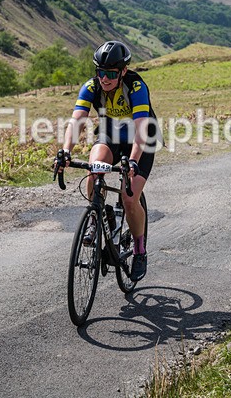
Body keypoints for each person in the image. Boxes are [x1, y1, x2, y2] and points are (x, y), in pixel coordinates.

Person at [55, 41, 159, 282]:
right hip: (110, 135)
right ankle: (97, 217)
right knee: (94, 169)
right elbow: (77, 121)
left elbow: (142, 129)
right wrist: (65, 151)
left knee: (129, 198)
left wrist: (133, 161)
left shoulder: (136, 87)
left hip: (141, 140)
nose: (105, 79)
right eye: (100, 72)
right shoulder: (91, 87)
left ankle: (140, 250)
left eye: (111, 73)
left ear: (123, 71)